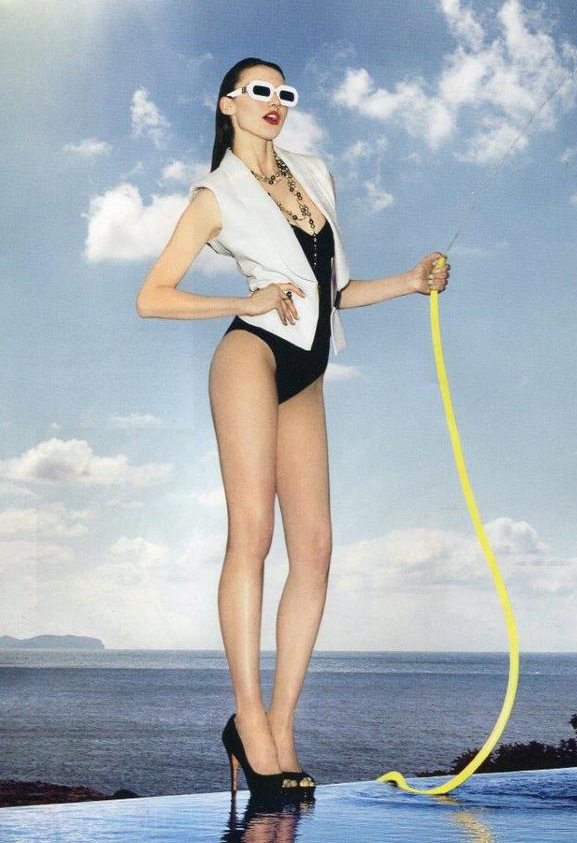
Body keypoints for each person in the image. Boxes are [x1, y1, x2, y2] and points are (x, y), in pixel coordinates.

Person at [136, 56, 450, 797]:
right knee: (253, 536)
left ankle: (281, 725)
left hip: (307, 368)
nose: (274, 101)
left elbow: (333, 292)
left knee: (315, 547)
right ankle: (247, 720)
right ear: (228, 104)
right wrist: (242, 303)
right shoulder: (215, 194)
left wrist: (411, 282)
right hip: (251, 354)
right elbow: (152, 296)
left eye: (284, 92)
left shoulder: (313, 174)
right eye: (259, 91)